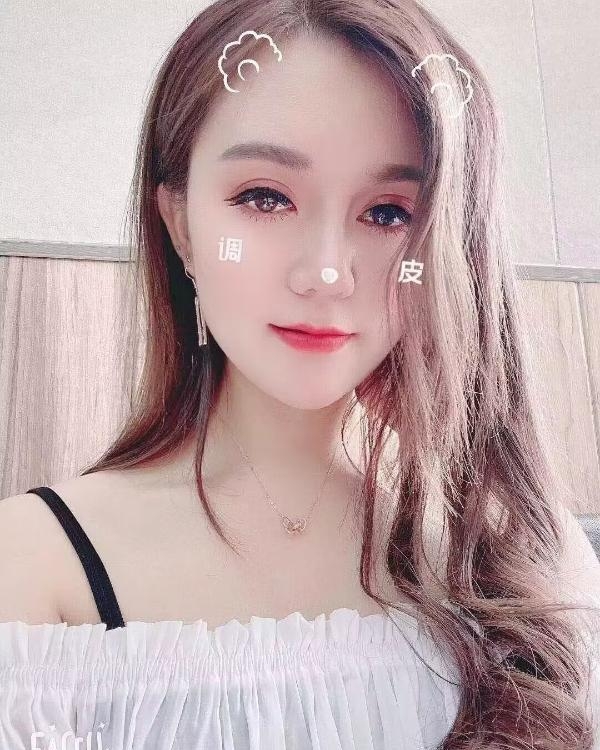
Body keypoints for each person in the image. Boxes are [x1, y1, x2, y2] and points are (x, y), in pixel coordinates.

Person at [1, 0, 599, 748]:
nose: (325, 273)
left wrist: (466, 461)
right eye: (265, 197)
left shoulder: (514, 559)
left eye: (388, 213)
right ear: (181, 225)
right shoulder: (34, 568)